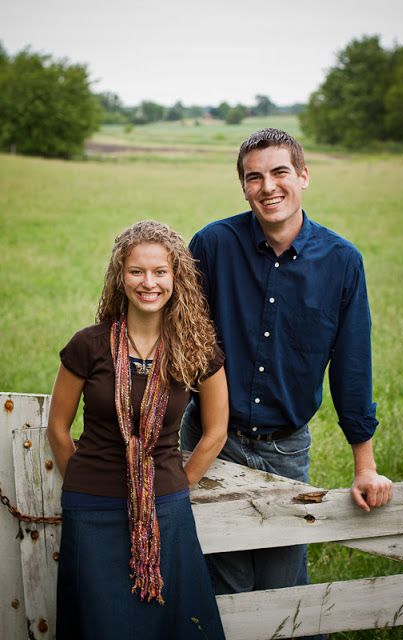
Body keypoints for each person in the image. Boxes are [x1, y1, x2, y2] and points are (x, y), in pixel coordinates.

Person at [181, 128, 393, 602]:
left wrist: (366, 466)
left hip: (286, 450)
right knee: (224, 585)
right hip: (212, 441)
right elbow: (181, 342)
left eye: (279, 172)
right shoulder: (213, 245)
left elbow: (352, 365)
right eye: (253, 177)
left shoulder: (342, 262)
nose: (268, 187)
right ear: (243, 186)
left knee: (283, 588)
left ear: (303, 175)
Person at [47, 220, 228, 640]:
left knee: (172, 624)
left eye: (160, 272)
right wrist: (89, 478)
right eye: (137, 271)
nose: (149, 282)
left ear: (175, 278)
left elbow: (216, 430)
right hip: (92, 509)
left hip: (166, 509)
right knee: (99, 622)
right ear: (120, 277)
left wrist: (176, 483)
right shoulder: (87, 346)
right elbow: (58, 428)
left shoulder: (196, 349)